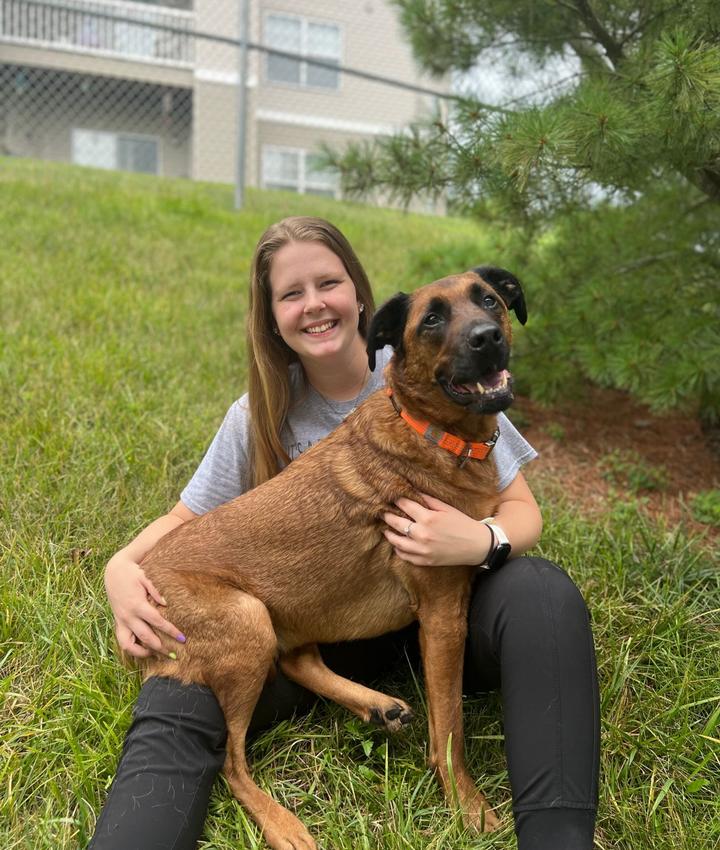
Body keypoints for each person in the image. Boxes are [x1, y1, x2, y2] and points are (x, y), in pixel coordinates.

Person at [90, 217, 599, 850]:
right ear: (272, 317)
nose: (313, 304)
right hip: (300, 620)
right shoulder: (260, 412)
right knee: (182, 701)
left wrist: (478, 542)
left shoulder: (461, 396)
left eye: (327, 282)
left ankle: (559, 837)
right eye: (290, 294)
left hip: (414, 622)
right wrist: (119, 567)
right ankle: (194, 808)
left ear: (359, 296)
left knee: (542, 593)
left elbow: (522, 512)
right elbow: (186, 524)